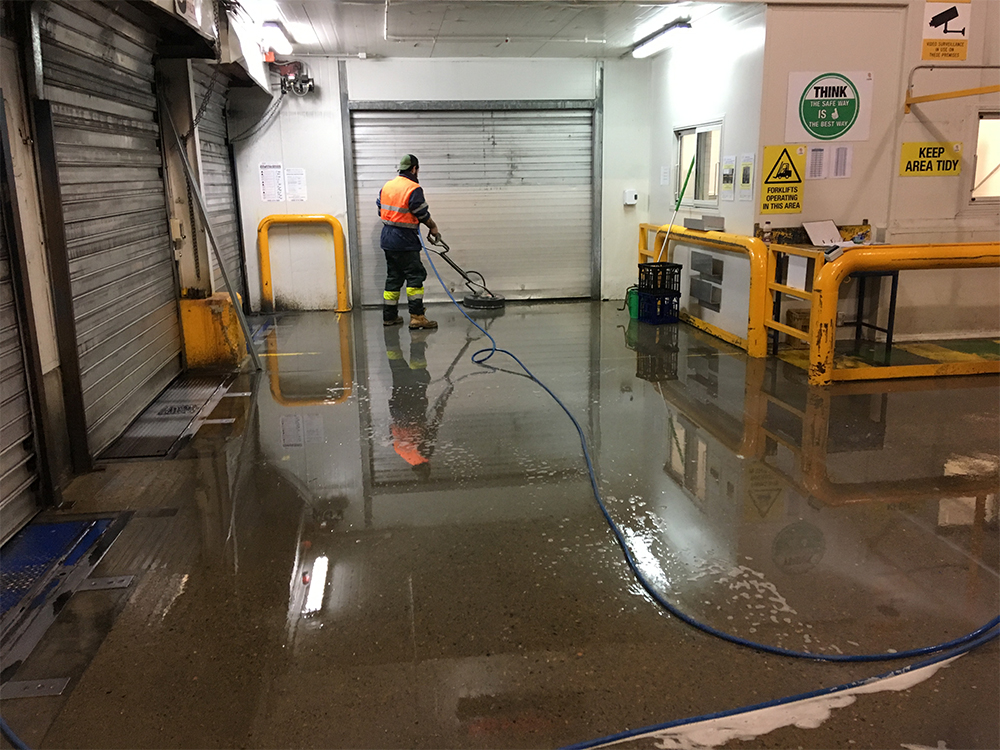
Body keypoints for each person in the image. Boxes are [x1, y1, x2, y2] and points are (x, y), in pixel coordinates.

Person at [377, 154, 441, 329]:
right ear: (414, 169)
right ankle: (417, 317)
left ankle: (389, 316)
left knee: (393, 277)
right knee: (415, 276)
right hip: (405, 240)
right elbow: (421, 212)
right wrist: (433, 227)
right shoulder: (413, 188)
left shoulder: (387, 186)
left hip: (387, 239)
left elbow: (380, 208)